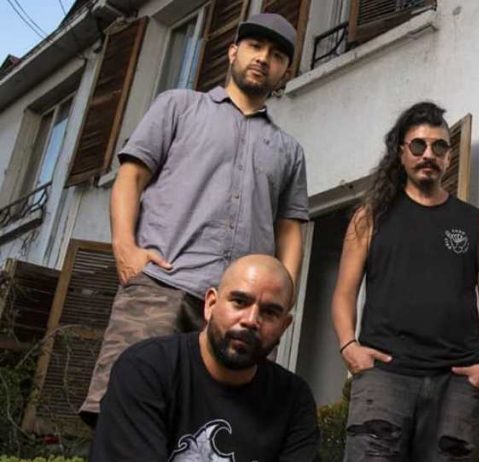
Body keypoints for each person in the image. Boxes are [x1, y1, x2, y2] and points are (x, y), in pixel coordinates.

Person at [46, 255, 346, 462]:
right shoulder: (147, 366)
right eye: (239, 302)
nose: (251, 320)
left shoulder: (291, 395)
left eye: (270, 312)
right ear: (210, 304)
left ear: (284, 326)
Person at [80, 13, 309, 427]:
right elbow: (130, 177)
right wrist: (125, 248)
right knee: (124, 415)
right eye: (255, 47)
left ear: (284, 72)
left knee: (213, 429)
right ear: (233, 52)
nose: (263, 58)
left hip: (239, 309)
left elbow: (290, 230)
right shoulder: (178, 106)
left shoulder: (288, 150)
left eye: (276, 55)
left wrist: (282, 297)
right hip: (162, 286)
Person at [328, 101, 479, 462]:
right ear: (401, 152)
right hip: (385, 375)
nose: (429, 154)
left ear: (449, 155)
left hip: (455, 380)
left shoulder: (474, 221)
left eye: (439, 146)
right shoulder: (370, 216)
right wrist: (348, 346)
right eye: (419, 145)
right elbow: (343, 293)